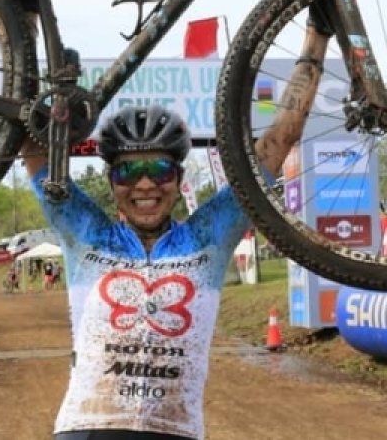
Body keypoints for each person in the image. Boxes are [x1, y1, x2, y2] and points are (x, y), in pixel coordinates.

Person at [22, 30, 323, 439]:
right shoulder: (86, 231)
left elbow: (280, 138)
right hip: (89, 426)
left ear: (179, 178)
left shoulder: (208, 237)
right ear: (111, 182)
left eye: (160, 171)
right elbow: (30, 142)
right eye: (128, 172)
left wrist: (317, 36)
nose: (145, 185)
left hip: (174, 430)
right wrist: (25, 15)